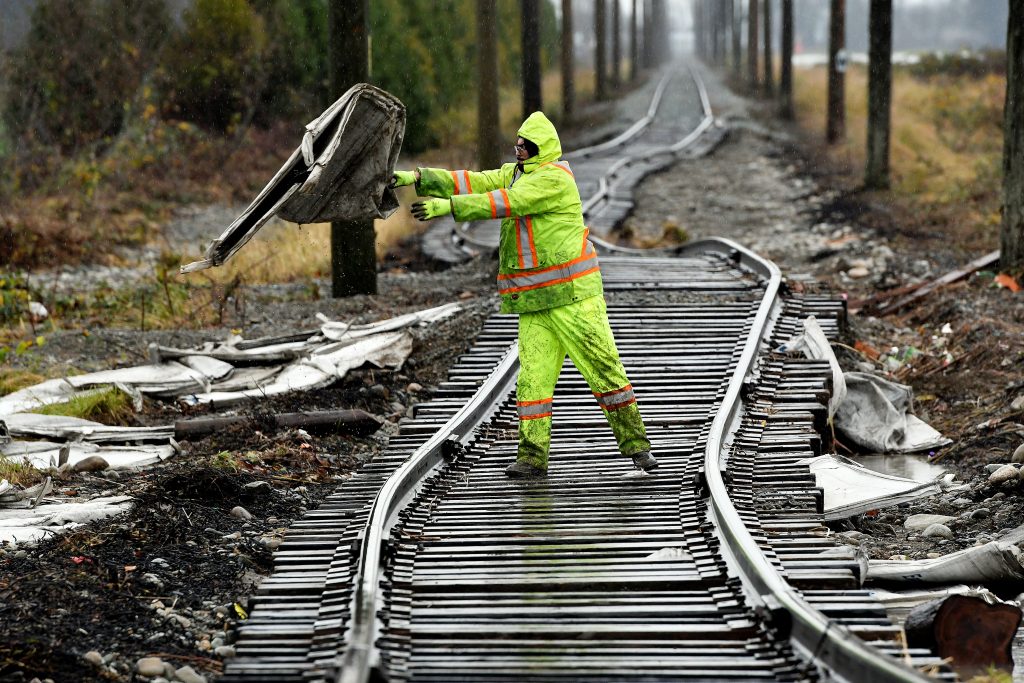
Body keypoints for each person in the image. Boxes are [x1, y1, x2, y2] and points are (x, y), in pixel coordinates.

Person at [391, 111, 656, 478]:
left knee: (603, 370)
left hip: (573, 299)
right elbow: (476, 181)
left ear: (540, 149)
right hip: (535, 303)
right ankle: (532, 456)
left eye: (525, 146)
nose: (518, 149)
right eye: (517, 144)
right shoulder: (518, 173)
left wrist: (447, 208)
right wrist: (418, 178)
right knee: (532, 382)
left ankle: (637, 446)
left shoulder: (552, 180)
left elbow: (505, 202)